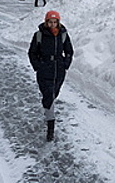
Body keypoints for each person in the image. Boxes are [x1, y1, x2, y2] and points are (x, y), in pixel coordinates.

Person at [28, 11, 74, 142]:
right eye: (50, 22)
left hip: (58, 70)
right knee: (48, 96)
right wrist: (38, 66)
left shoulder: (63, 35)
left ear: (58, 23)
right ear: (46, 22)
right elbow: (32, 53)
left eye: (55, 22)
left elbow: (69, 51)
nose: (52, 24)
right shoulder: (39, 35)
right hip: (44, 70)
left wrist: (65, 64)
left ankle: (48, 111)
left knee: (53, 95)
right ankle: (50, 129)